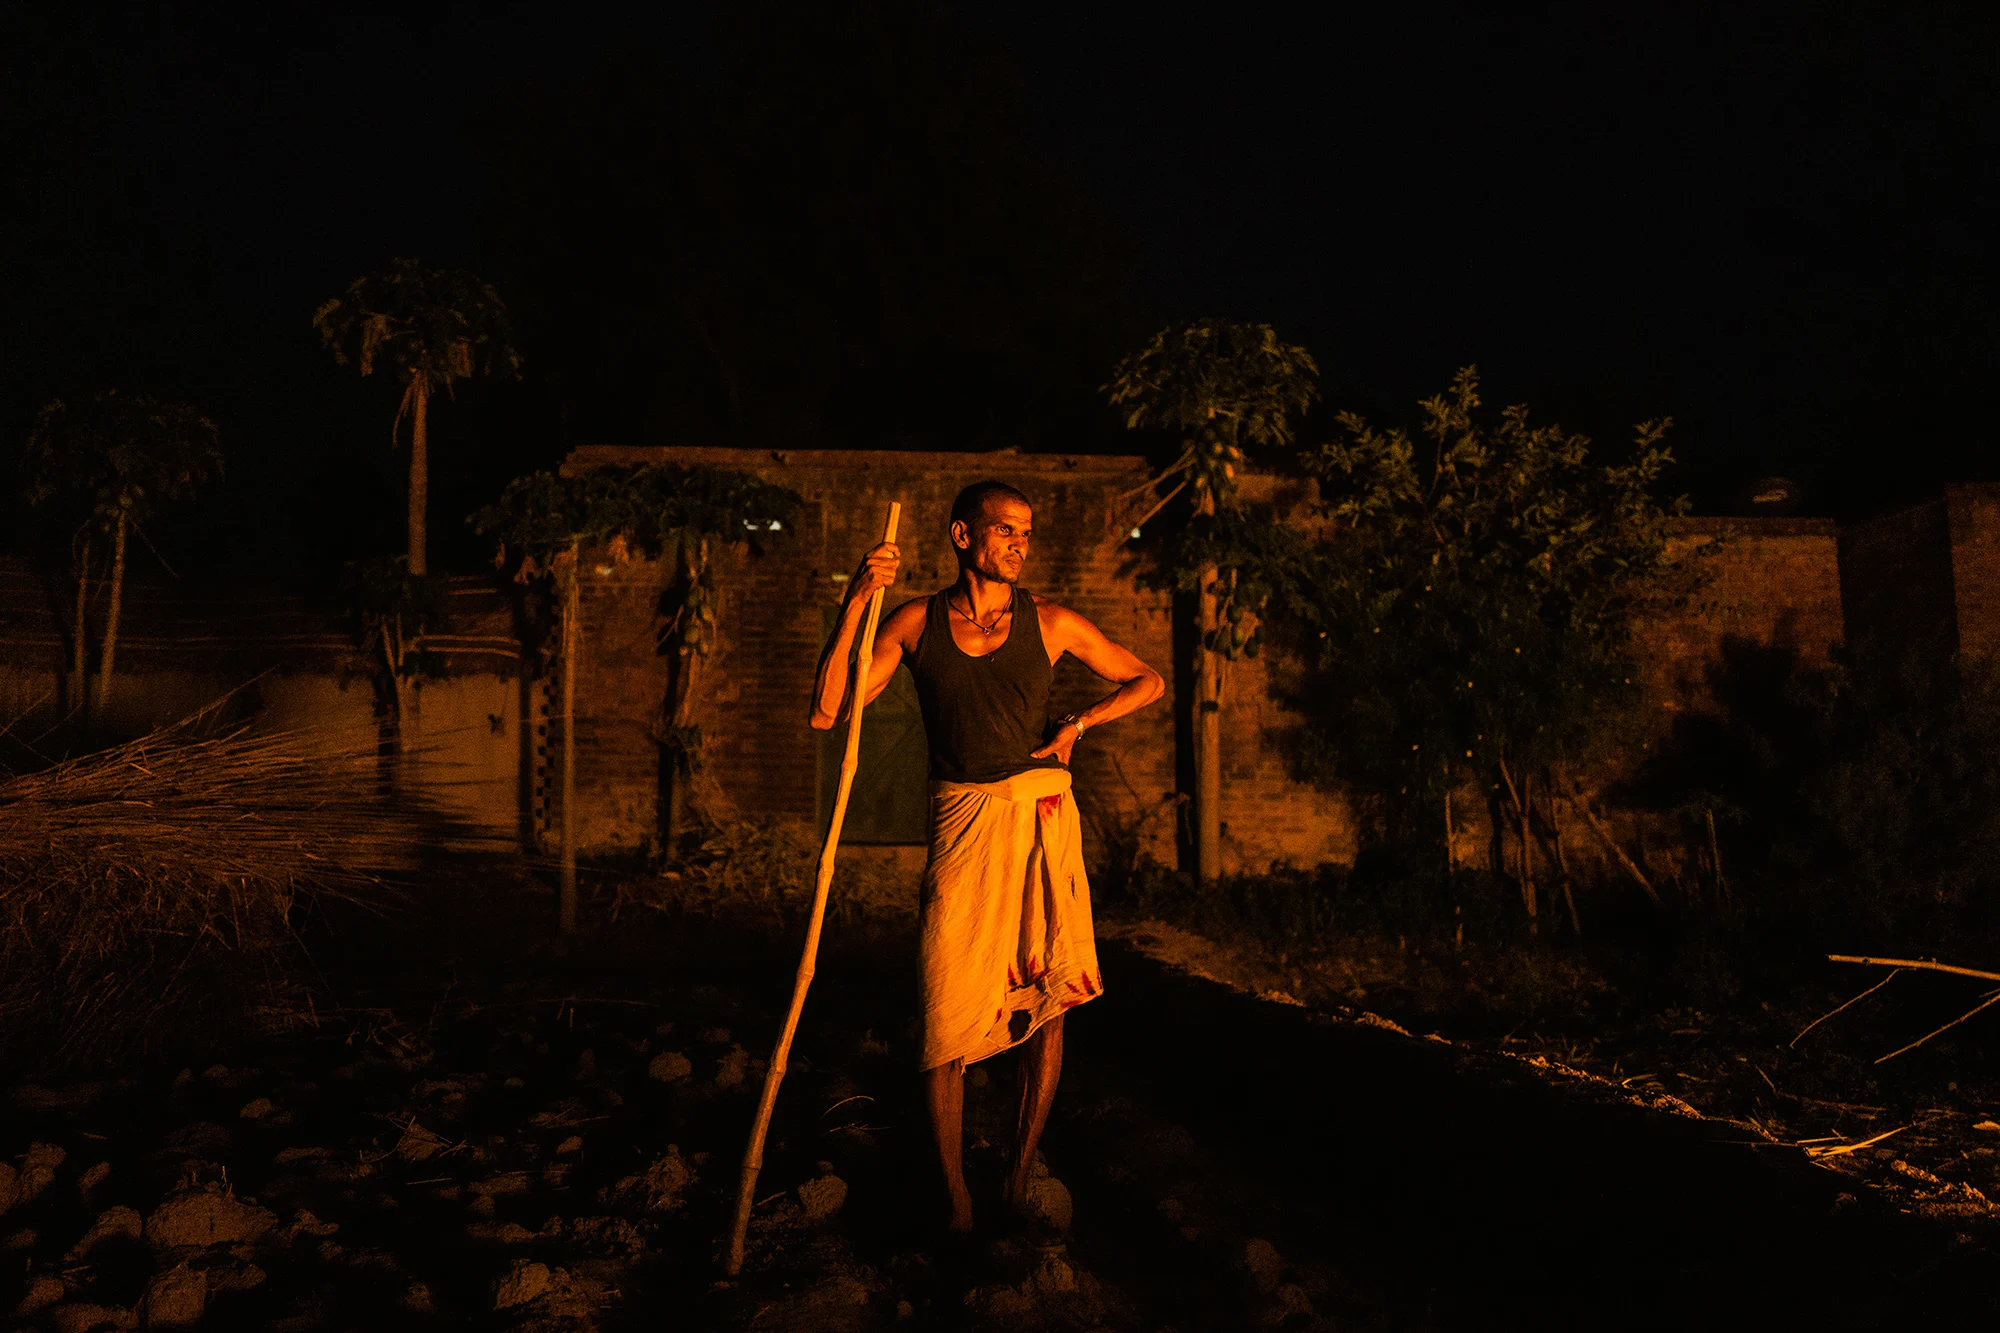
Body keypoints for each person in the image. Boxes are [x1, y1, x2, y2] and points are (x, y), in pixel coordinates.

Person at [810, 480, 1165, 1235]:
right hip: (961, 824)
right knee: (942, 1009)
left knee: (1048, 999)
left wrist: (1078, 722)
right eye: (1004, 528)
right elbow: (829, 708)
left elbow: (1148, 679)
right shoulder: (914, 621)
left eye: (1026, 532)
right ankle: (954, 1202)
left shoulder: (1053, 622)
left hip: (1039, 821)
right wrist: (853, 603)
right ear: (963, 535)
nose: (1019, 542)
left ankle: (1017, 1169)